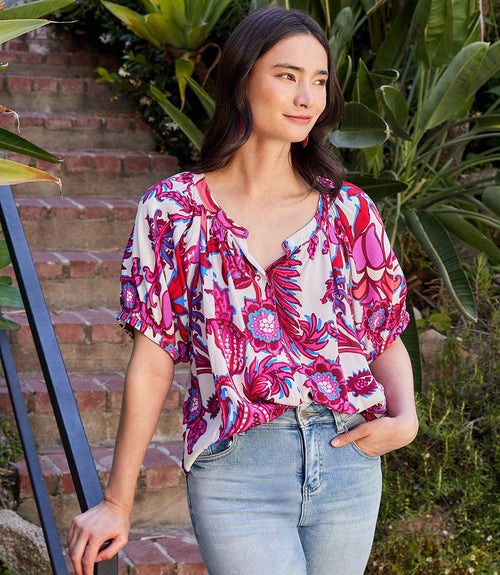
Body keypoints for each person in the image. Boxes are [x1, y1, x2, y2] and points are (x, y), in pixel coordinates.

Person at [67, 6, 419, 575]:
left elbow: (384, 334)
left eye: (319, 81)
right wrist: (117, 501)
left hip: (348, 457)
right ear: (242, 79)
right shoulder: (173, 211)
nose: (307, 97)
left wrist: (407, 419)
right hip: (236, 469)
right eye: (287, 75)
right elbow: (153, 361)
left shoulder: (348, 210)